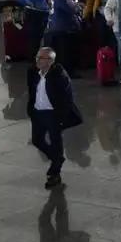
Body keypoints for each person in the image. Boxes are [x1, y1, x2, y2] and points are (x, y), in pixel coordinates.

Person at [28, 46, 82, 189]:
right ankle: (57, 159)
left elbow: (67, 98)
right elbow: (32, 92)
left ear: (50, 61)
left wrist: (60, 117)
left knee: (55, 141)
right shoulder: (33, 72)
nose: (37, 60)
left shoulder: (60, 76)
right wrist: (31, 110)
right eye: (37, 57)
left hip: (53, 114)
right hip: (38, 113)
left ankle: (54, 173)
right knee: (37, 140)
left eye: (41, 58)